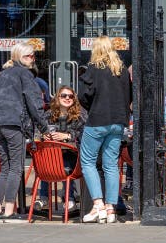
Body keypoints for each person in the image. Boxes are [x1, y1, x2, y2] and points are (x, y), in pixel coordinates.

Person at [0, 43, 47, 223]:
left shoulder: (3, 74)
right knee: (16, 167)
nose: (32, 59)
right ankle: (9, 211)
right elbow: (34, 102)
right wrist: (44, 127)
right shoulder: (24, 74)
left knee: (5, 168)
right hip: (14, 123)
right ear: (19, 56)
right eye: (28, 56)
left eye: (33, 56)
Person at [78, 36, 131, 224]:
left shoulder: (93, 69)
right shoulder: (122, 70)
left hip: (97, 120)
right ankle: (111, 209)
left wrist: (92, 107)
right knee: (110, 165)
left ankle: (97, 205)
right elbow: (128, 96)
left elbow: (83, 95)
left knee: (88, 162)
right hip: (118, 121)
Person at [34, 86, 87, 212]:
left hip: (74, 157)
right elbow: (36, 133)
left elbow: (86, 133)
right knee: (48, 159)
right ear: (57, 98)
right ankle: (46, 198)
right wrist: (43, 136)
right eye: (64, 95)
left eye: (71, 96)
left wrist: (68, 135)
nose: (67, 98)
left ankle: (68, 198)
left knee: (64, 159)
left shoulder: (80, 115)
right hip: (51, 159)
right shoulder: (48, 115)